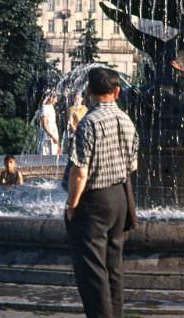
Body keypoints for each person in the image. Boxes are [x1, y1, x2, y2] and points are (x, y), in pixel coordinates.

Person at [64, 67, 139, 318]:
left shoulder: (89, 123)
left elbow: (80, 171)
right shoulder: (127, 120)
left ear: (88, 92)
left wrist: (72, 205)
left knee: (93, 273)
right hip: (120, 198)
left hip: (94, 201)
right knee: (113, 268)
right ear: (117, 92)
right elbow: (133, 165)